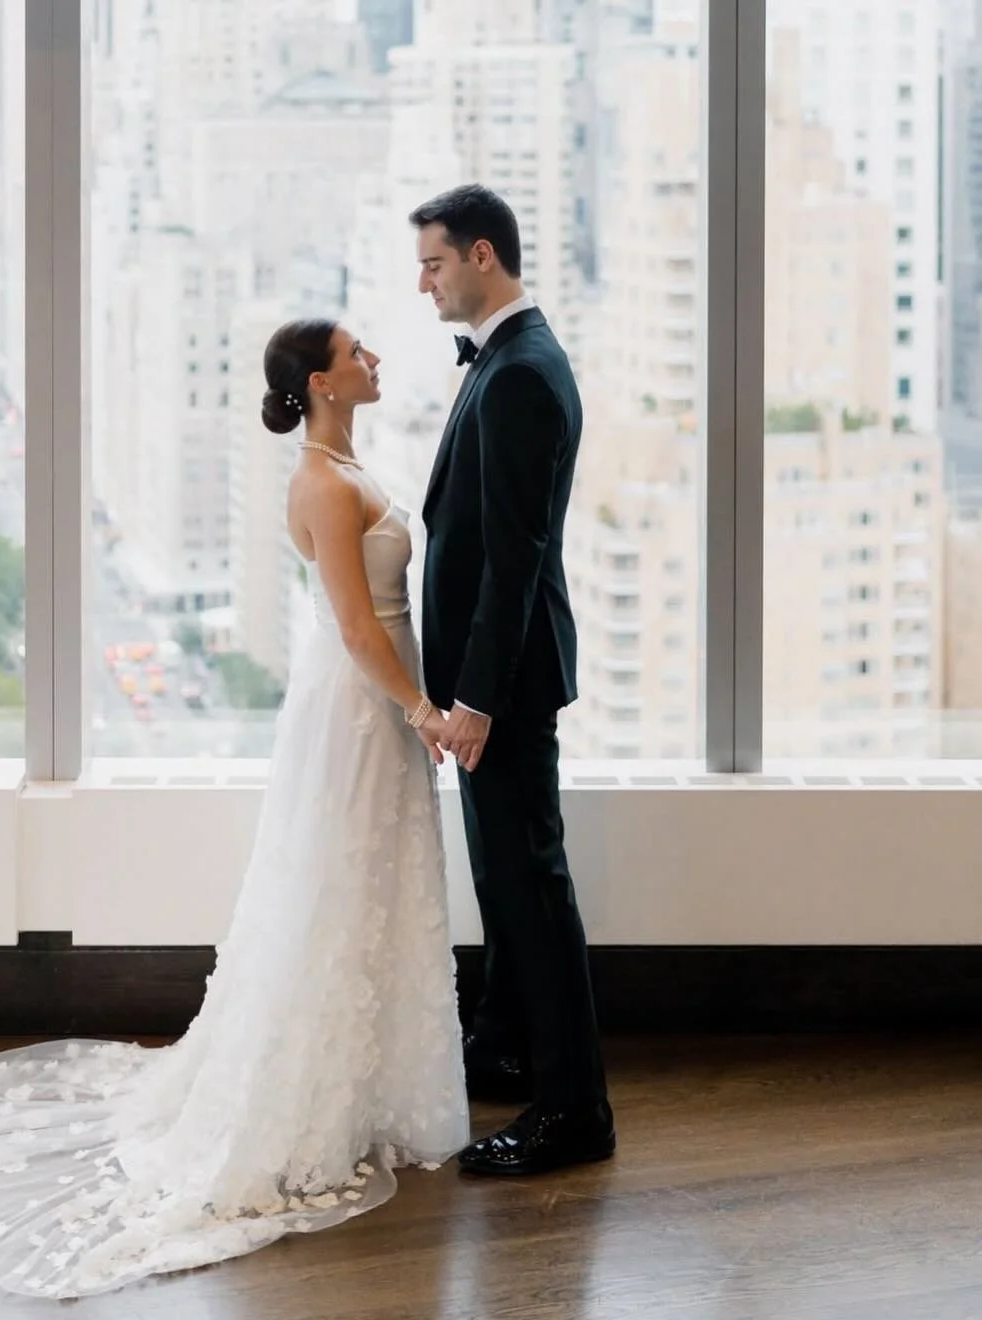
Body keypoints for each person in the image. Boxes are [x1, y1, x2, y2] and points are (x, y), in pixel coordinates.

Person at [0, 319, 469, 1300]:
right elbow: (357, 628)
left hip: (376, 702)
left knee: (375, 884)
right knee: (335, 884)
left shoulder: (348, 464)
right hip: (360, 706)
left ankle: (369, 1085)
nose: (375, 360)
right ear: (322, 382)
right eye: (358, 354)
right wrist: (421, 711)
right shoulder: (321, 483)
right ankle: (304, 1098)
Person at [411, 183, 615, 1176]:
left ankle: (575, 1110)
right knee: (500, 873)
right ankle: (501, 1040)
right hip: (488, 680)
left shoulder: (525, 373)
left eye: (434, 263)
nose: (424, 283)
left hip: (510, 684)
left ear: (481, 255)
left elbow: (515, 554)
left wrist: (477, 700)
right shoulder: (507, 362)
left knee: (532, 884)